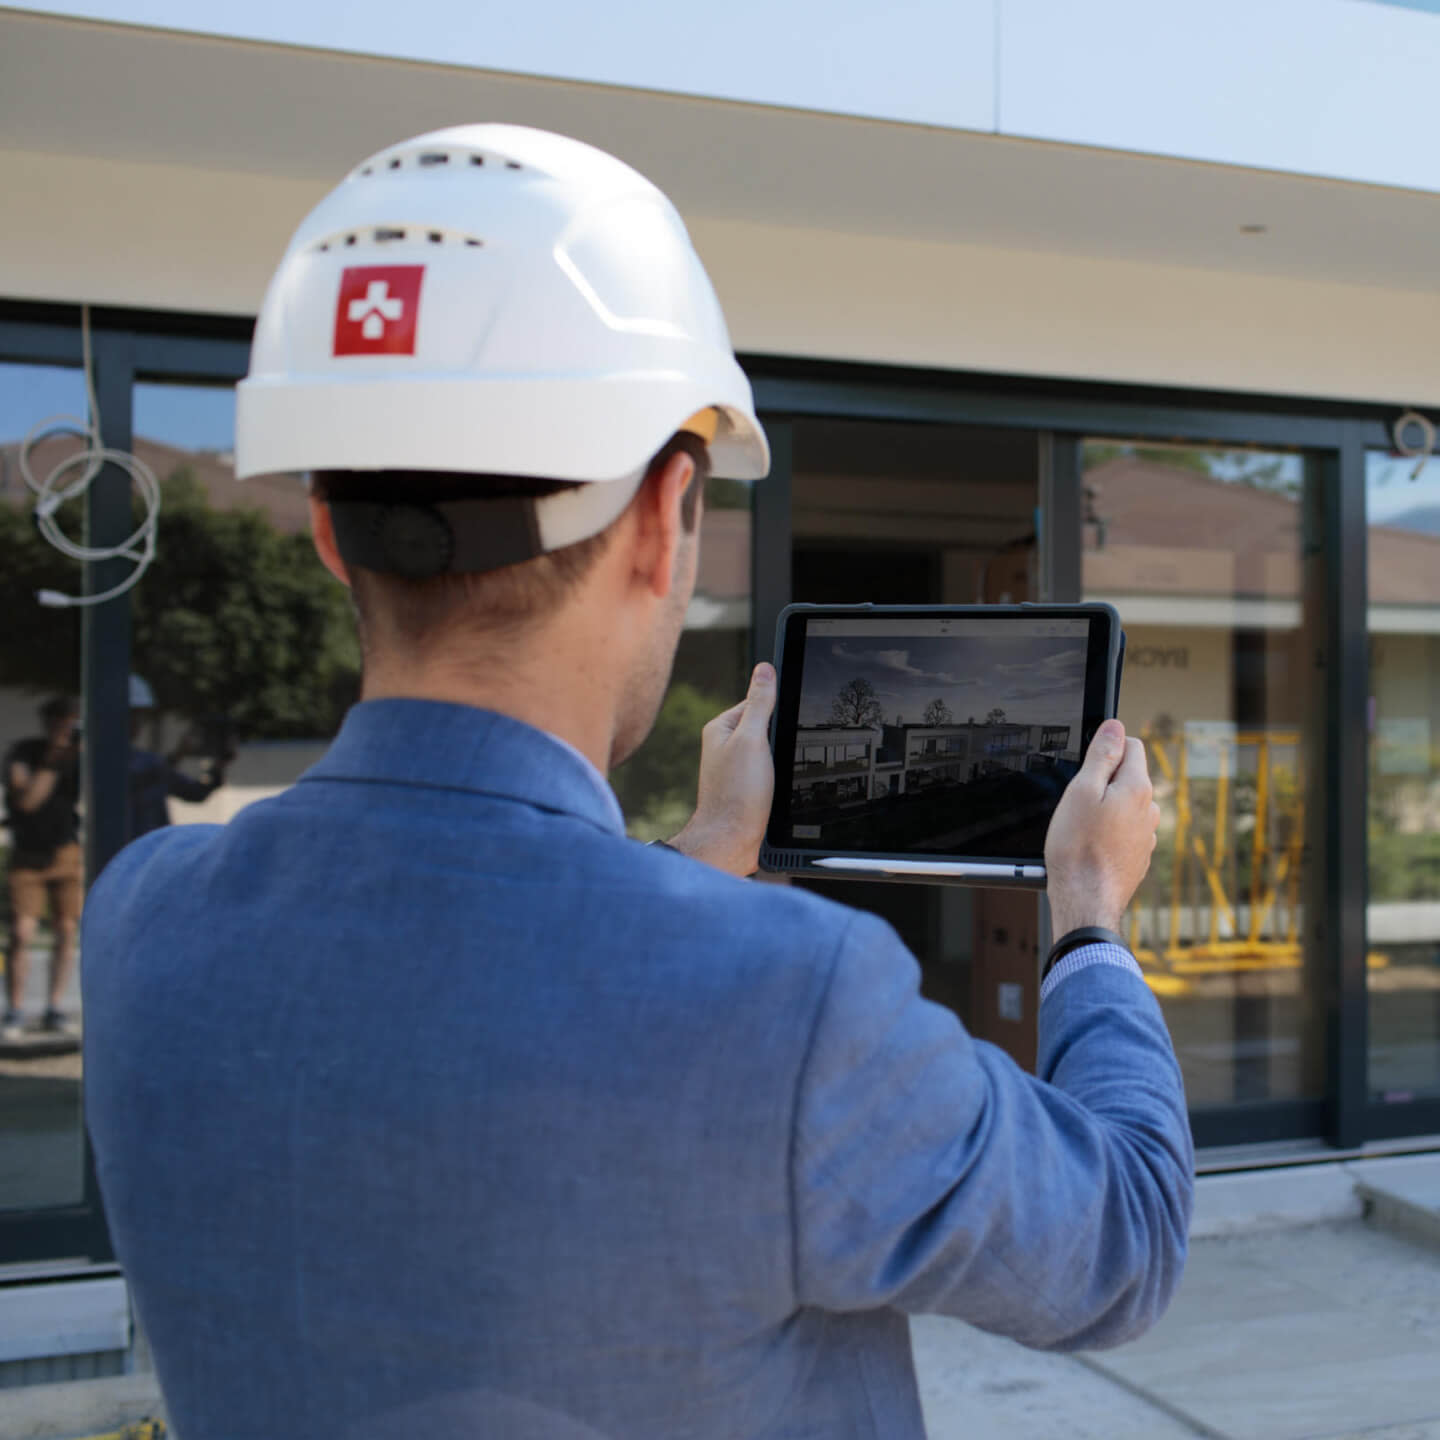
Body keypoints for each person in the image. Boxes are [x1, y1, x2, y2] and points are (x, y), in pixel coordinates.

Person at [81, 125, 1191, 1440]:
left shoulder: (146, 914)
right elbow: (1123, 1237)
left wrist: (702, 849)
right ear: (667, 517)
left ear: (326, 529)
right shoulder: (793, 997)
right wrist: (1088, 917)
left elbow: (486, 995)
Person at [4, 694, 83, 1039]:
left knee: (66, 931)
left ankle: (54, 1006)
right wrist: (52, 760)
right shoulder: (25, 753)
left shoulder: (78, 757)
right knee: (22, 933)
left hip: (65, 852)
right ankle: (16, 1009)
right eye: (60, 722)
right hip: (27, 856)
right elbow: (28, 800)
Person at [125, 676, 230, 841]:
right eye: (133, 714)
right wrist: (177, 755)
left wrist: (218, 766)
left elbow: (194, 792)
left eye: (140, 715)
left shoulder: (150, 764)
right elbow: (145, 773)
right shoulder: (98, 762)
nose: (138, 722)